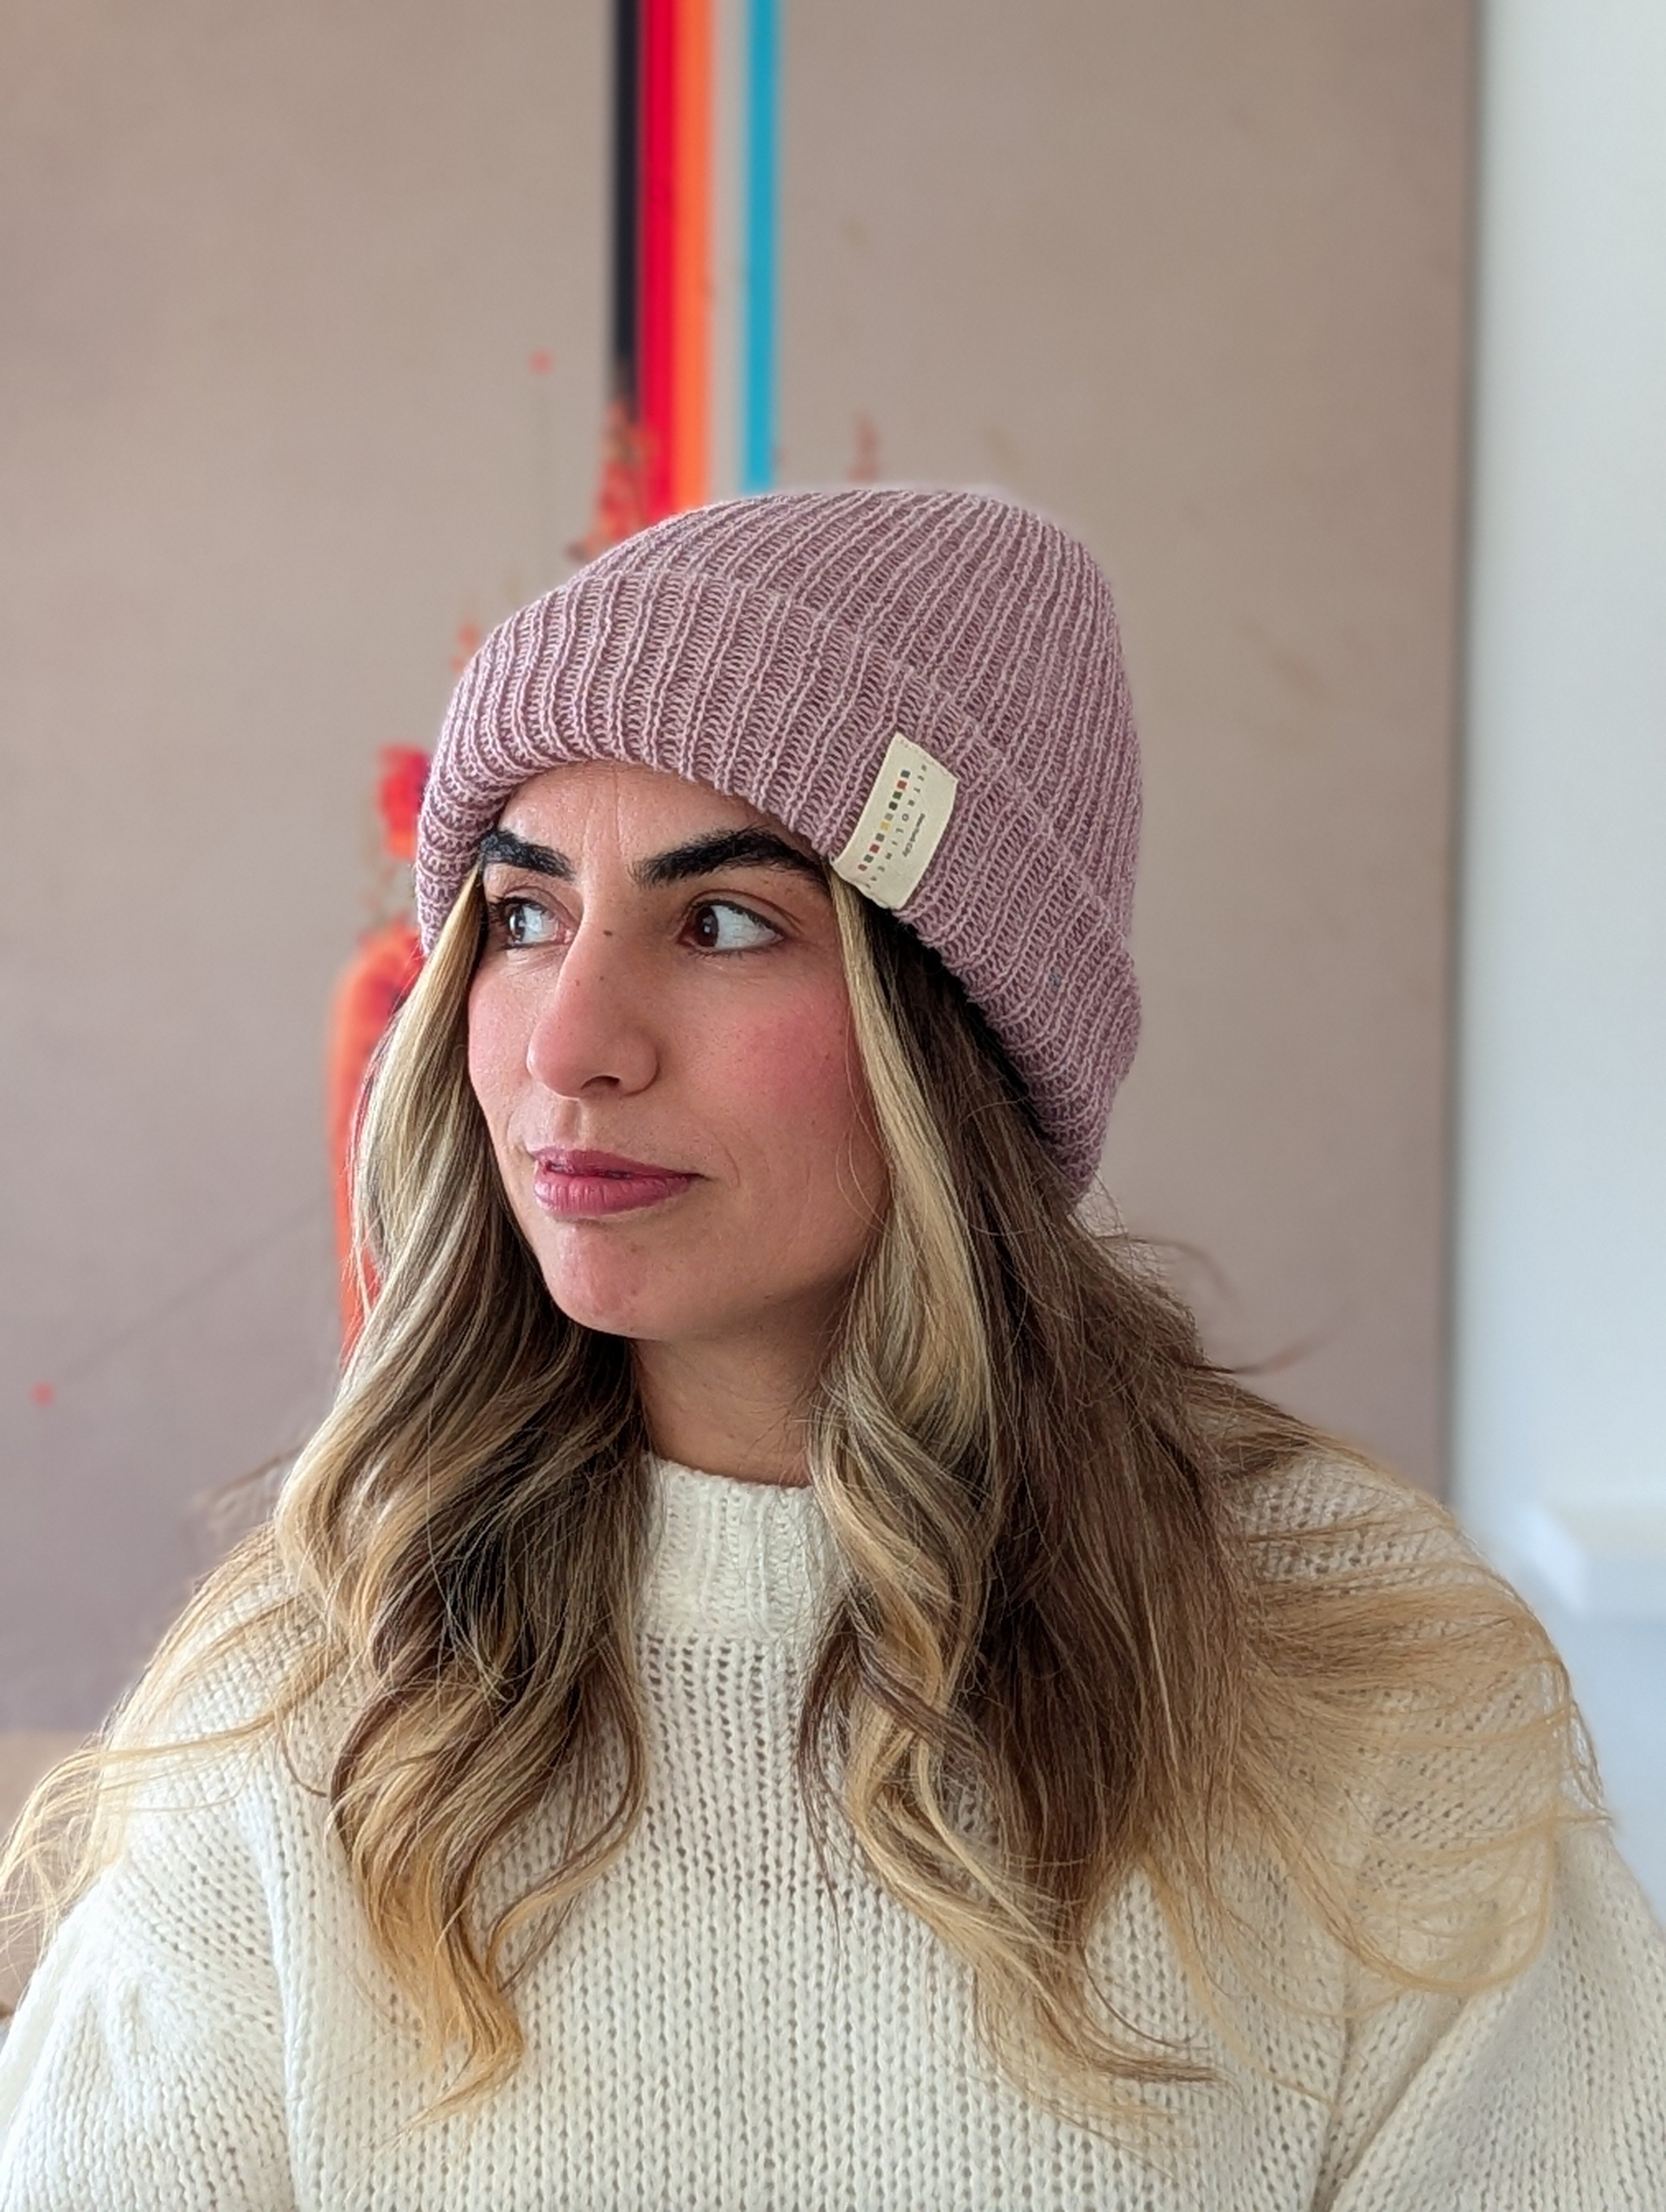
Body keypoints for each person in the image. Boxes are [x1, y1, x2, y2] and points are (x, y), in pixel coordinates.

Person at [2, 486, 1663, 2210]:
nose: (573, 1043)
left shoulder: (1364, 1682)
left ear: (955, 1032)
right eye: (524, 916)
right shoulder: (300, 1705)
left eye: (725, 922)